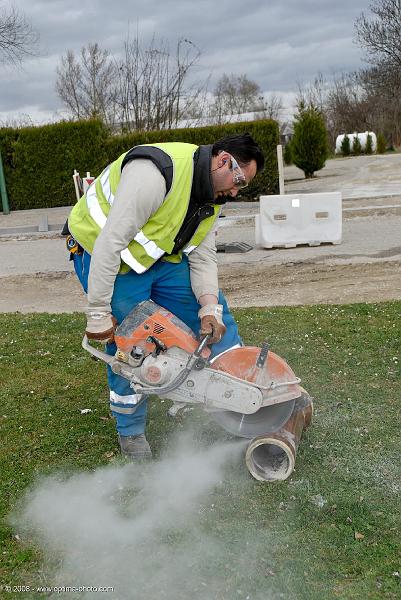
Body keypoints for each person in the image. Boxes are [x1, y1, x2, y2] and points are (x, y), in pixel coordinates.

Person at [65, 133, 264, 459]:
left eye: (242, 186)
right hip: (105, 252)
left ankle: (241, 401)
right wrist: (98, 312)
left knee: (218, 323)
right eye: (238, 180)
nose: (235, 191)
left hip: (160, 259)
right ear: (222, 159)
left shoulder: (213, 195)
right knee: (134, 343)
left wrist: (209, 308)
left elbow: (202, 254)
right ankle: (131, 431)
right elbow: (109, 243)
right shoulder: (154, 176)